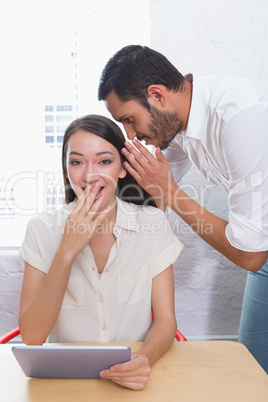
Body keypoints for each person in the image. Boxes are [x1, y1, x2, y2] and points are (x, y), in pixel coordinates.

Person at [98, 45, 268, 372]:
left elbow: (250, 256)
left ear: (157, 95)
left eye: (129, 121)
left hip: (257, 249)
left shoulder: (239, 119)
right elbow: (147, 194)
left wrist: (170, 192)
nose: (131, 135)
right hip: (262, 242)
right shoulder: (178, 120)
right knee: (254, 370)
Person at [18, 114, 183, 390]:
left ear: (121, 168)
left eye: (104, 161)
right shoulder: (41, 230)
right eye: (77, 162)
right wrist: (66, 252)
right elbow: (32, 336)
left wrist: (144, 358)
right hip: (66, 383)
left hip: (132, 382)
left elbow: (166, 320)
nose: (90, 175)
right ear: (66, 169)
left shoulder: (152, 224)